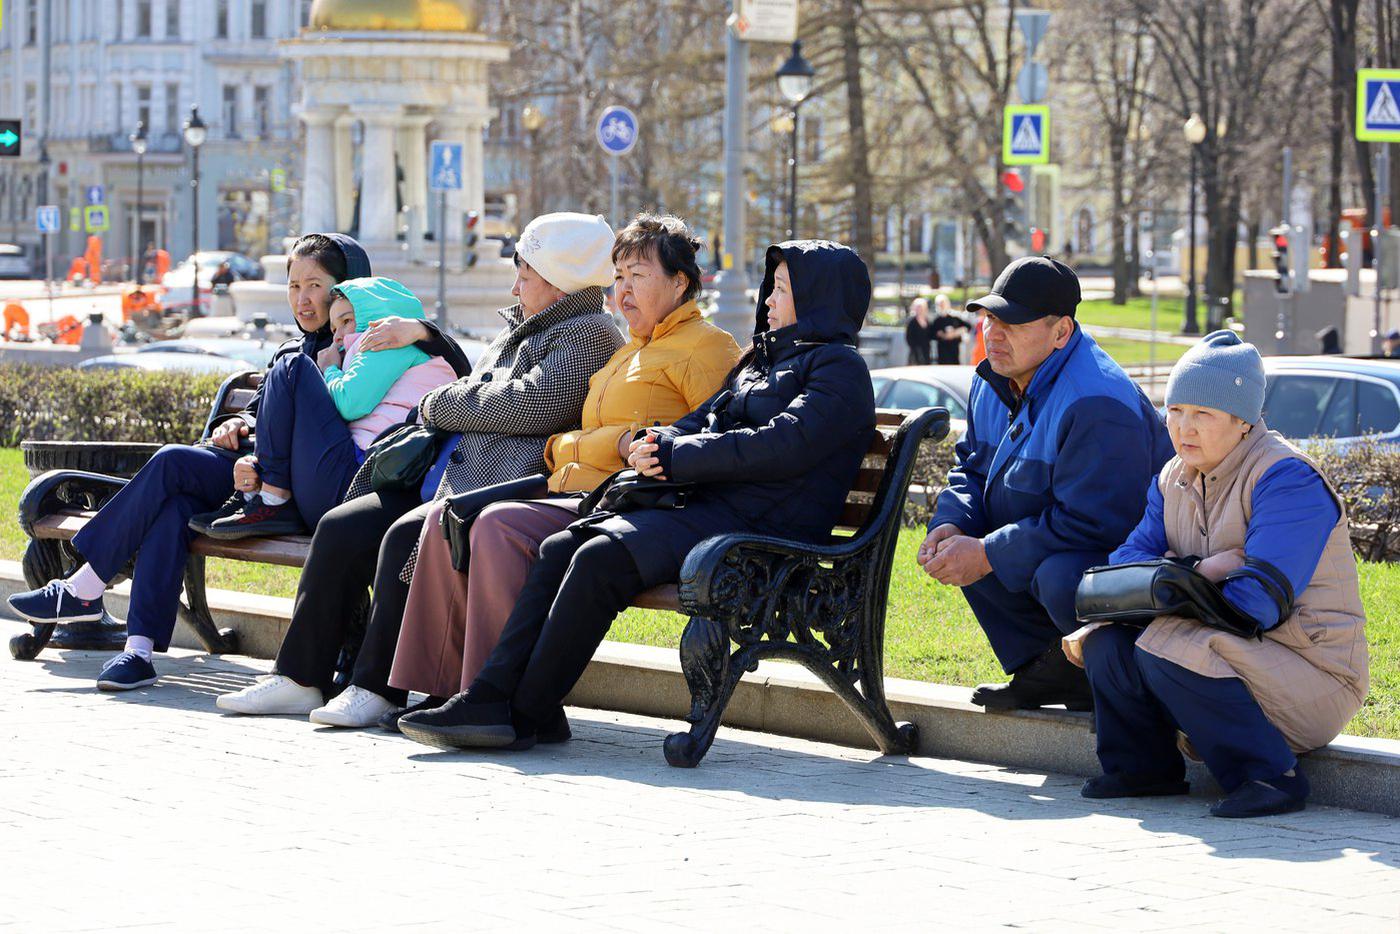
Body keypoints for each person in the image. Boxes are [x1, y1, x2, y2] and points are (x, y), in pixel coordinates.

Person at [396, 239, 877, 752]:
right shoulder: (763, 360)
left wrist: (679, 458)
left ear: (819, 299)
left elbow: (782, 444)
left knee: (601, 557)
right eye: (773, 288)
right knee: (562, 547)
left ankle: (526, 712)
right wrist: (658, 442)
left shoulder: (838, 371)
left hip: (764, 529)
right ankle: (490, 697)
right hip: (717, 510)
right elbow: (702, 419)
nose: (768, 302)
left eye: (781, 290)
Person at [304, 215, 742, 728]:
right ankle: (441, 689)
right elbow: (574, 428)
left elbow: (553, 408)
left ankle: (469, 693)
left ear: (680, 282)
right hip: (568, 485)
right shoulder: (630, 348)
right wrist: (589, 443)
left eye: (636, 277)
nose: (621, 292)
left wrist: (445, 404)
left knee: (480, 525)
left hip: (619, 502)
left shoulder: (679, 344)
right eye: (618, 276)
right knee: (439, 524)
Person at [7, 235, 466, 691]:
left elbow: (459, 369)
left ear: (350, 287)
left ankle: (86, 588)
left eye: (315, 285)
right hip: (252, 476)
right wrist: (241, 426)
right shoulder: (292, 351)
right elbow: (267, 410)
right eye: (293, 287)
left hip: (308, 488)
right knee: (175, 492)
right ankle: (138, 650)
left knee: (171, 479)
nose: (303, 300)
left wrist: (423, 331)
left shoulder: (376, 342)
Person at [216, 212, 626, 718]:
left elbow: (533, 402)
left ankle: (377, 689)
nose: (516, 284)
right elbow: (484, 389)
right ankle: (300, 675)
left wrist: (439, 403)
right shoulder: (525, 328)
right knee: (341, 528)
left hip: (496, 484)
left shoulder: (588, 332)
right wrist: (457, 397)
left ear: (560, 282)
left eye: (526, 273)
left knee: (402, 538)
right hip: (448, 473)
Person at [1067, 331, 1368, 818]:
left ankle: (1269, 777)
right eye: (1176, 410)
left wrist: (1164, 584)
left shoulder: (1287, 478)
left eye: (1203, 414)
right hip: (1238, 659)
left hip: (1313, 673)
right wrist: (1198, 570)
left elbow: (1256, 605)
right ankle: (1143, 769)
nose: (1184, 428)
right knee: (1106, 638)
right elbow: (1112, 583)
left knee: (1171, 643)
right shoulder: (1171, 478)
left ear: (1244, 421)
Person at [919, 256, 1173, 712]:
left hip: (1136, 566)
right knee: (972, 543)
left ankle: (1110, 675)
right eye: (989, 317)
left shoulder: (1097, 400)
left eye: (1012, 322)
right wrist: (952, 523)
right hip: (1062, 541)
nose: (993, 332)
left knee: (1060, 577)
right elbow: (972, 468)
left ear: (1061, 333)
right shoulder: (993, 378)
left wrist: (988, 553)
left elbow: (1098, 524)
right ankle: (1050, 670)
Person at [194, 277, 458, 540]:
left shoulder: (386, 343)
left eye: (346, 321)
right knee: (289, 368)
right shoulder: (381, 353)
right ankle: (261, 496)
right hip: (355, 485)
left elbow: (350, 404)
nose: (339, 336)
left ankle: (270, 500)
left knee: (292, 367)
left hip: (358, 482)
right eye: (334, 328)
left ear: (376, 316)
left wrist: (329, 368)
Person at [930, 293, 970, 365]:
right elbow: (932, 335)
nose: (942, 306)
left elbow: (968, 326)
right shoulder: (936, 320)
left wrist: (956, 333)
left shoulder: (954, 317)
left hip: (955, 351)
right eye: (940, 304)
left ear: (948, 304)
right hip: (942, 353)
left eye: (943, 304)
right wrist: (942, 335)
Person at [905, 298, 934, 365]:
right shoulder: (911, 322)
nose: (920, 310)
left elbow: (931, 335)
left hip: (926, 351)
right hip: (915, 352)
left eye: (921, 308)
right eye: (918, 308)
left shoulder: (928, 321)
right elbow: (908, 338)